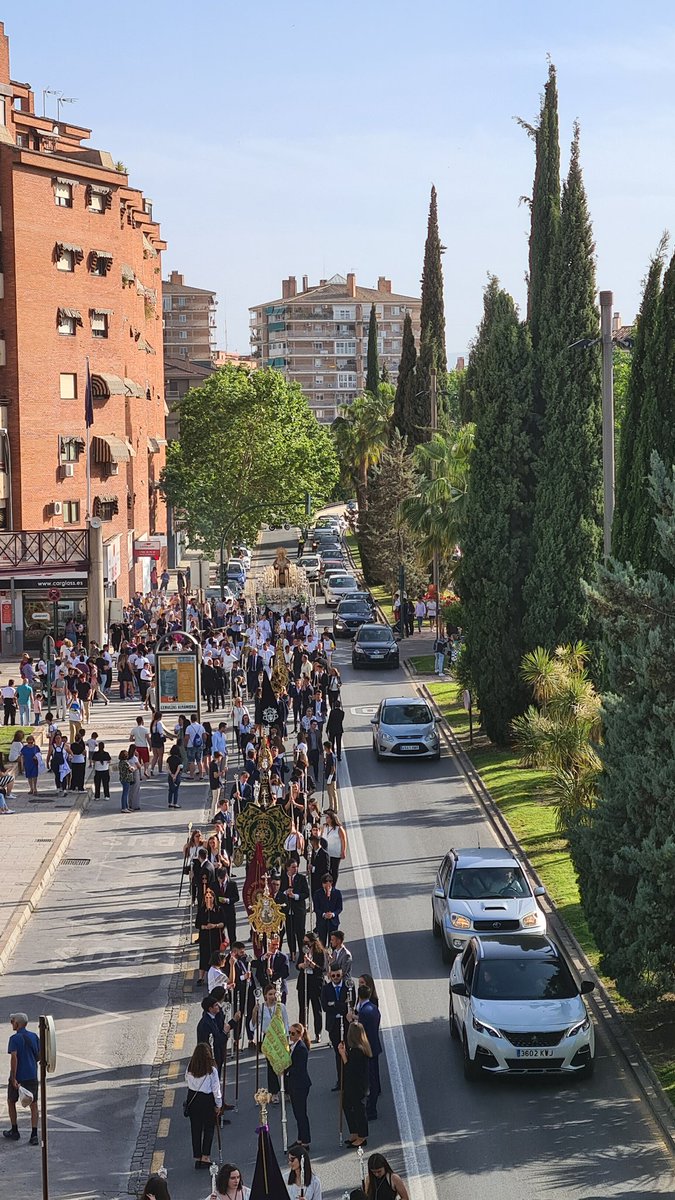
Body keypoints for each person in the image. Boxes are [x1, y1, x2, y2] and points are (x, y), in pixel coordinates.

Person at [184, 1042, 222, 1170]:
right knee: (209, 1128)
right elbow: (216, 1089)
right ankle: (206, 1156)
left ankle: (197, 1156)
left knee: (195, 1129)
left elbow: (186, 1079)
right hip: (206, 1100)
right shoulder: (211, 1070)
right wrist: (219, 1104)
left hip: (193, 1098)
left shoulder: (191, 1067)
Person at [4, 1012, 40, 1145]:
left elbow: (14, 1058)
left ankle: (14, 1130)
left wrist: (13, 1077)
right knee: (33, 1104)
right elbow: (39, 1055)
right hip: (32, 1075)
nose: (11, 1023)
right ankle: (34, 1135)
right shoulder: (34, 1036)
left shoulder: (14, 1039)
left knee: (11, 1101)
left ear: (17, 1023)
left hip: (19, 1076)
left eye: (12, 1021)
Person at [252, 983, 289, 1101]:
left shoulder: (281, 1006)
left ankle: (287, 1090)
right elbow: (253, 1025)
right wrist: (254, 1013)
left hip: (280, 1038)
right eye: (270, 994)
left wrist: (287, 1039)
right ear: (265, 996)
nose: (272, 997)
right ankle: (274, 1092)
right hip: (268, 1038)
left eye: (274, 994)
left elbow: (286, 1023)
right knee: (271, 1065)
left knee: (284, 1064)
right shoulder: (261, 1008)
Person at [339, 1020, 371, 1148]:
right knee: (347, 1105)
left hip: (357, 1086)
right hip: (354, 1085)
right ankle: (354, 1132)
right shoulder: (356, 1049)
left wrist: (343, 1056)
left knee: (358, 1109)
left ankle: (362, 1136)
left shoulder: (358, 1051)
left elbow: (351, 1069)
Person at [353, 984, 382, 1120]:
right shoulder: (374, 1008)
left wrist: (353, 1019)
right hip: (374, 1046)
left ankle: (371, 1110)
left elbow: (360, 1030)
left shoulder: (364, 1012)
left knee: (370, 1080)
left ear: (359, 996)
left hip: (367, 1049)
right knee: (373, 1077)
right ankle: (371, 1107)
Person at [321, 965, 351, 1088]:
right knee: (338, 1053)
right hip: (333, 1025)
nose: (335, 978)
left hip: (346, 1024)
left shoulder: (348, 986)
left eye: (338, 975)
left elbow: (349, 1006)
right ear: (330, 975)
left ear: (342, 974)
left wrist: (334, 1004)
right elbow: (325, 1007)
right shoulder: (326, 989)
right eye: (333, 975)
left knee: (348, 1051)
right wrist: (340, 1005)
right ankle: (341, 1081)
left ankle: (350, 1079)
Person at [287, 1026, 312, 1148]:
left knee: (301, 1114)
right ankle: (300, 1138)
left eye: (293, 1033)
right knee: (297, 1113)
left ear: (299, 1034)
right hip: (295, 1084)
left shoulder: (301, 1049)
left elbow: (299, 1068)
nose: (290, 1035)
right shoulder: (295, 1046)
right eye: (289, 1033)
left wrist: (286, 1069)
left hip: (300, 1085)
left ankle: (305, 1141)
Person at [279, 860, 309, 960]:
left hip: (299, 910)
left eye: (296, 867)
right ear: (287, 868)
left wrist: (295, 896)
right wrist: (285, 893)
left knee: (300, 933)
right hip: (288, 911)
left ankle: (302, 954)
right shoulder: (283, 879)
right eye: (293, 867)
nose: (295, 869)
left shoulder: (301, 878)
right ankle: (292, 953)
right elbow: (278, 892)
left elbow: (306, 893)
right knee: (290, 933)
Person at [196, 888, 225, 986]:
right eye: (206, 898)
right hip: (204, 937)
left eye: (210, 897)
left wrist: (214, 925)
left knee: (215, 955)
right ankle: (201, 977)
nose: (208, 899)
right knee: (204, 956)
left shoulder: (219, 909)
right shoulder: (201, 910)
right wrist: (204, 927)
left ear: (213, 898)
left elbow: (223, 923)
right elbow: (197, 924)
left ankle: (216, 976)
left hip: (215, 936)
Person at [313, 872, 343, 947]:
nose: (327, 885)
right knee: (322, 943)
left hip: (333, 922)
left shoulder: (337, 893)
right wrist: (324, 914)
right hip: (322, 922)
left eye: (329, 882)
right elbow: (316, 908)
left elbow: (339, 908)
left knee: (333, 943)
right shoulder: (317, 893)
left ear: (332, 883)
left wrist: (332, 914)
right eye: (325, 883)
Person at [322, 810, 347, 882]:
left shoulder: (339, 829)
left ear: (332, 819)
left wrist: (343, 851)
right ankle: (328, 883)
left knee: (334, 869)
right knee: (327, 869)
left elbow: (343, 840)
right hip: (326, 852)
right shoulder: (324, 827)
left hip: (335, 853)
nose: (326, 819)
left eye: (327, 817)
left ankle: (333, 884)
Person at [20, 734, 41, 799]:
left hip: (34, 764)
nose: (30, 744)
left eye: (31, 742)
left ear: (33, 741)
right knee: (29, 776)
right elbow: (22, 757)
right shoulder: (24, 748)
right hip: (27, 764)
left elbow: (39, 754)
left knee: (34, 776)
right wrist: (22, 765)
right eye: (29, 742)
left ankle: (35, 788)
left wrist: (36, 757)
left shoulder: (36, 747)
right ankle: (31, 788)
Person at [167, 744, 183, 809]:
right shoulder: (179, 759)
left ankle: (169, 802)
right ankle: (175, 803)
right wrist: (175, 776)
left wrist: (171, 774)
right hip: (177, 776)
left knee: (170, 789)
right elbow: (178, 769)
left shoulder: (169, 759)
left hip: (170, 775)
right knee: (176, 790)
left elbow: (168, 767)